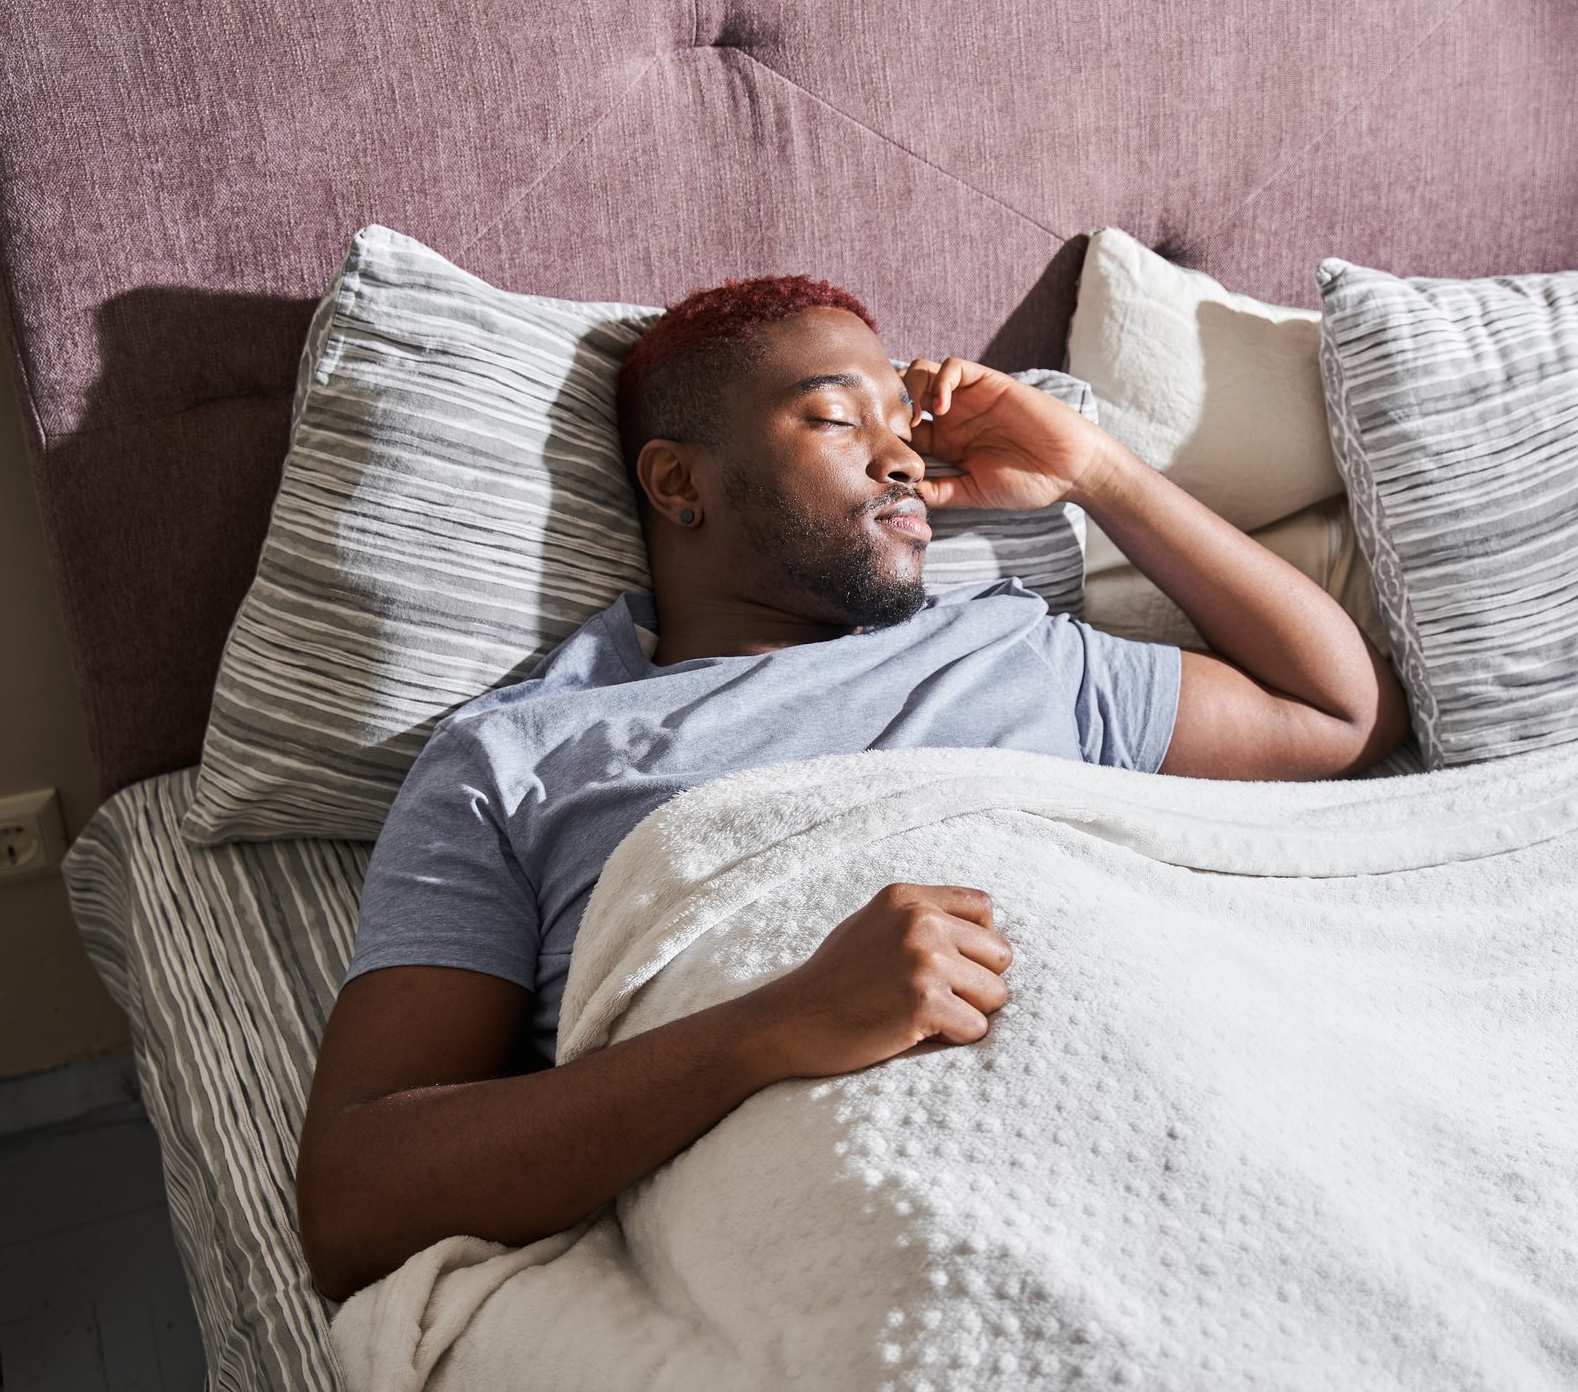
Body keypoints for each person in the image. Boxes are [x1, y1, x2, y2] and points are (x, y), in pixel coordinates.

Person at [295, 275, 1408, 1301]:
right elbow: (354, 1199)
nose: (905, 462)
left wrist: (1100, 472)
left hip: (1188, 1131)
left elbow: (1339, 715)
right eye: (838, 420)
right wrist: (776, 1025)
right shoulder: (520, 754)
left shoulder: (1011, 650)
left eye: (909, 431)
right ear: (680, 481)